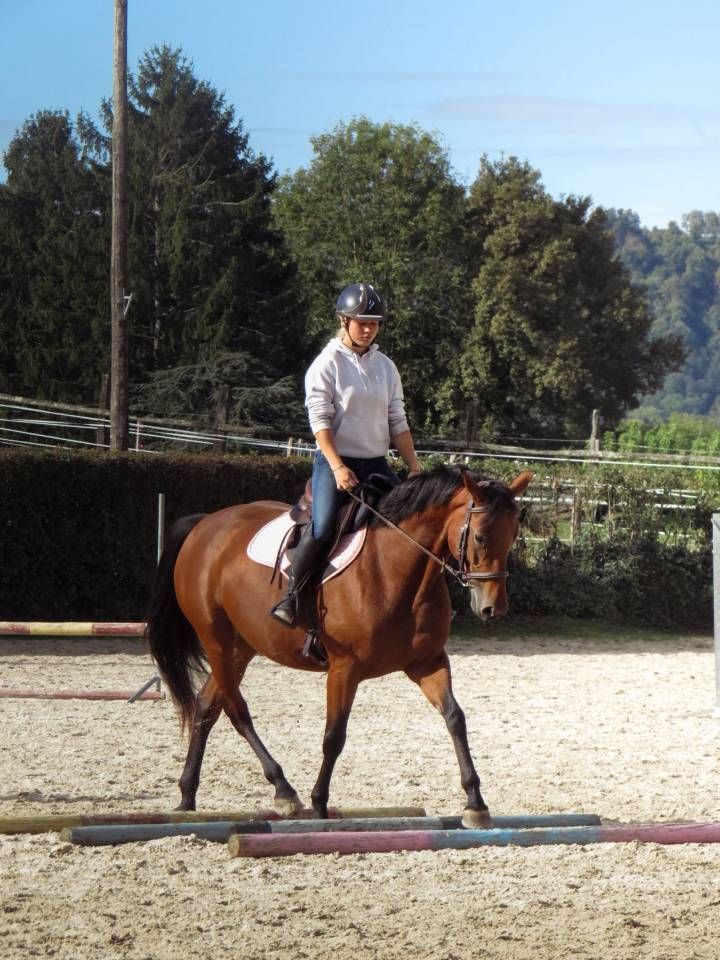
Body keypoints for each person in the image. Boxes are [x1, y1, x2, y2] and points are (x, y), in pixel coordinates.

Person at [270, 282, 420, 628]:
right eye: (360, 322)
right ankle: (291, 596)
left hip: (376, 463)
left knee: (411, 525)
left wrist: (414, 467)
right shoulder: (326, 365)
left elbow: (398, 421)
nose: (368, 329)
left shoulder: (386, 367)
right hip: (335, 461)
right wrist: (337, 466)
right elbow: (319, 422)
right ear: (343, 320)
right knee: (323, 528)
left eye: (374, 323)